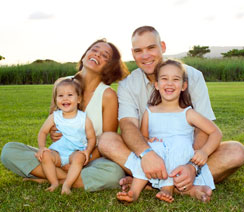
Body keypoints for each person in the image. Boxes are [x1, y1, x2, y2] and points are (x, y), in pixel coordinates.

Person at [98, 26, 244, 201]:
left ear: (163, 47)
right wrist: (147, 154)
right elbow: (128, 125)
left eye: (151, 48)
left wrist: (191, 166)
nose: (145, 56)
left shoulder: (192, 76)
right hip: (152, 153)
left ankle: (151, 182)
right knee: (106, 140)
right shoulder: (128, 84)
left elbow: (204, 128)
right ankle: (181, 187)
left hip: (185, 152)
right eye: (138, 51)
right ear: (133, 53)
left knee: (236, 151)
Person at [1, 39, 129, 191]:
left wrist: (82, 160)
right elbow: (53, 123)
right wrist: (54, 132)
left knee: (114, 173)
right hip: (59, 155)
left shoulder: (108, 95)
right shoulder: (61, 83)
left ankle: (50, 178)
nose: (97, 54)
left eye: (104, 55)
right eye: (94, 49)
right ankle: (69, 178)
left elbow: (107, 141)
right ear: (85, 55)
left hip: (90, 158)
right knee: (9, 150)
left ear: (109, 66)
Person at [116, 59, 222, 203]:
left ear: (183, 86)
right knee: (150, 152)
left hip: (180, 157)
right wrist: (148, 141)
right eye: (164, 79)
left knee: (180, 145)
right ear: (157, 85)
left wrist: (204, 152)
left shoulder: (188, 113)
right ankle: (134, 192)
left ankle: (167, 188)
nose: (170, 83)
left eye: (176, 79)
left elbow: (215, 132)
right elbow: (144, 137)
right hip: (157, 160)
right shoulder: (149, 112)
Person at [36, 77, 96, 194]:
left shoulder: (83, 118)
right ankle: (54, 182)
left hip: (74, 153)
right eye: (60, 96)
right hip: (58, 153)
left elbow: (91, 137)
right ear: (56, 99)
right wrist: (42, 147)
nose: (65, 99)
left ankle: (67, 185)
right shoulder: (55, 116)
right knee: (46, 156)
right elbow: (42, 132)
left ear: (78, 99)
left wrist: (87, 151)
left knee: (80, 157)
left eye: (69, 95)